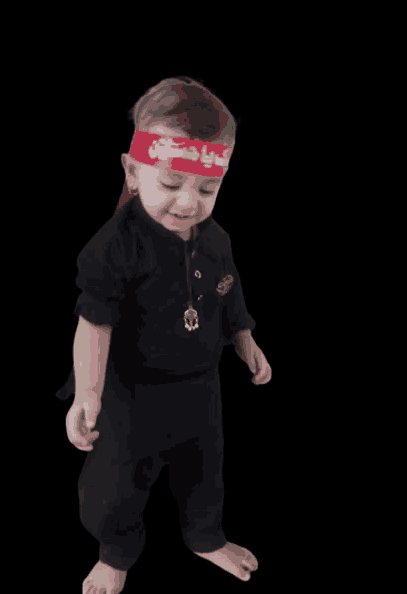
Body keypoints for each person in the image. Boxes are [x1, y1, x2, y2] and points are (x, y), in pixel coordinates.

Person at [55, 76, 269, 593]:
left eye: (208, 188)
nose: (188, 203)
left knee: (206, 470)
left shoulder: (215, 238)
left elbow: (227, 290)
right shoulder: (112, 248)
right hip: (130, 392)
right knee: (118, 482)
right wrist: (87, 393)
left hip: (199, 384)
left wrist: (245, 338)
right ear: (133, 170)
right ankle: (115, 551)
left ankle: (204, 535)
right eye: (171, 184)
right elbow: (93, 322)